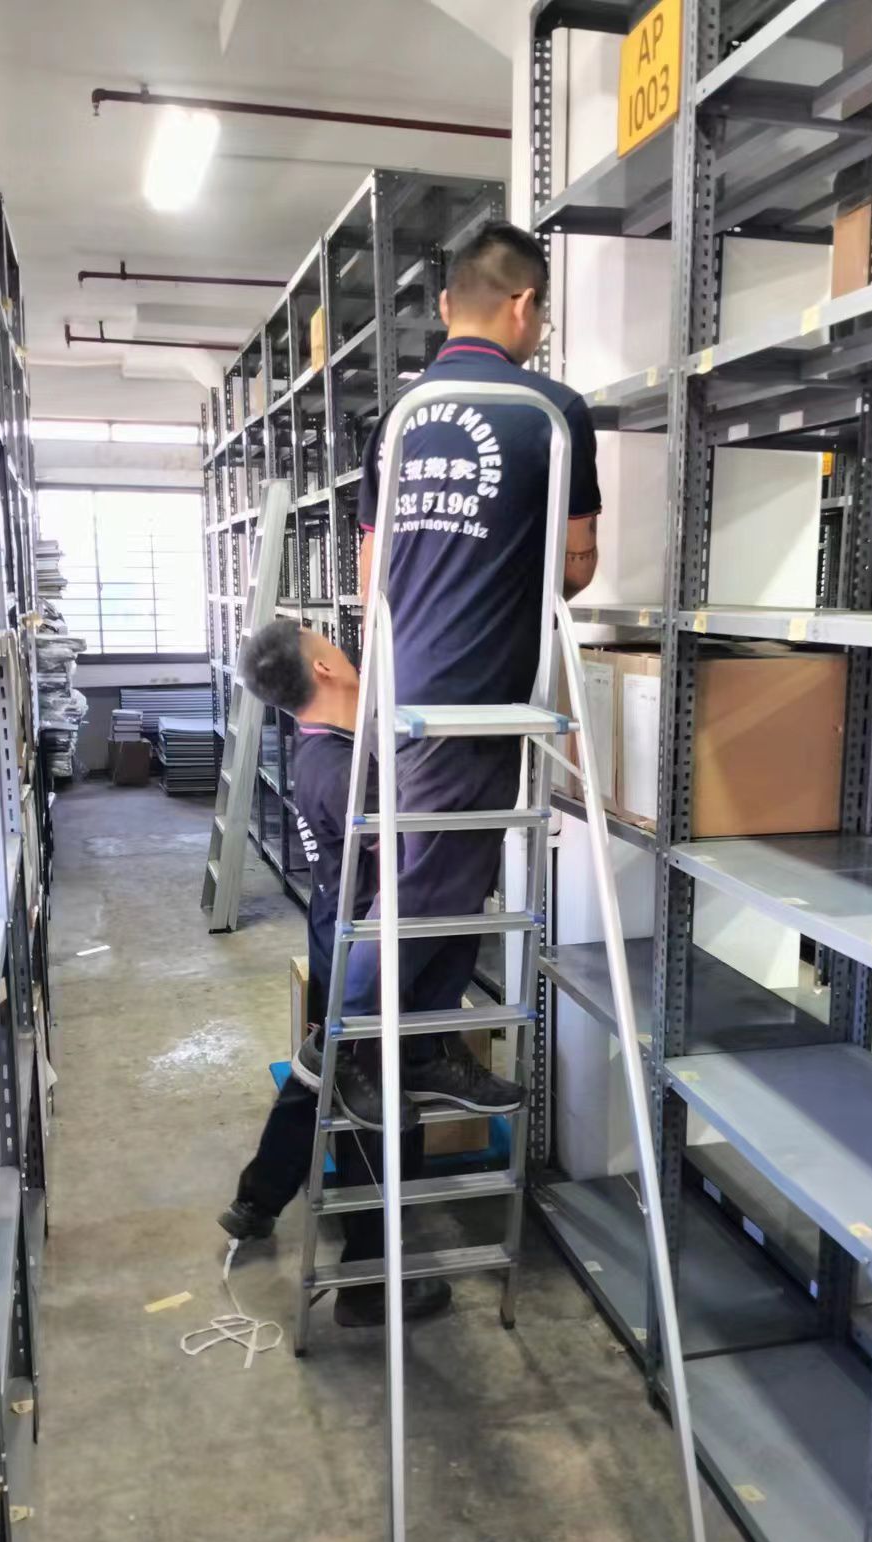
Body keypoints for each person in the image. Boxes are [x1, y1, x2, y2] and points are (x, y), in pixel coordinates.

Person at [334, 220, 601, 1129]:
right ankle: (342, 1041)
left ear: (450, 306)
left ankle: (425, 1048)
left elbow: (370, 574)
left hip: (400, 679)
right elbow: (575, 566)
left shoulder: (397, 420)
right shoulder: (550, 412)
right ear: (524, 304)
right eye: (542, 314)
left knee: (453, 868)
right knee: (436, 884)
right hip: (479, 684)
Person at [217, 621, 450, 1328]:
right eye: (330, 641)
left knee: (325, 1071)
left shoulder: (321, 751)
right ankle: (369, 1283)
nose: (346, 648)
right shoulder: (351, 769)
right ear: (322, 668)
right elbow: (408, 867)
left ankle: (257, 1198)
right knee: (385, 1108)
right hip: (367, 950)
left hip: (335, 935)